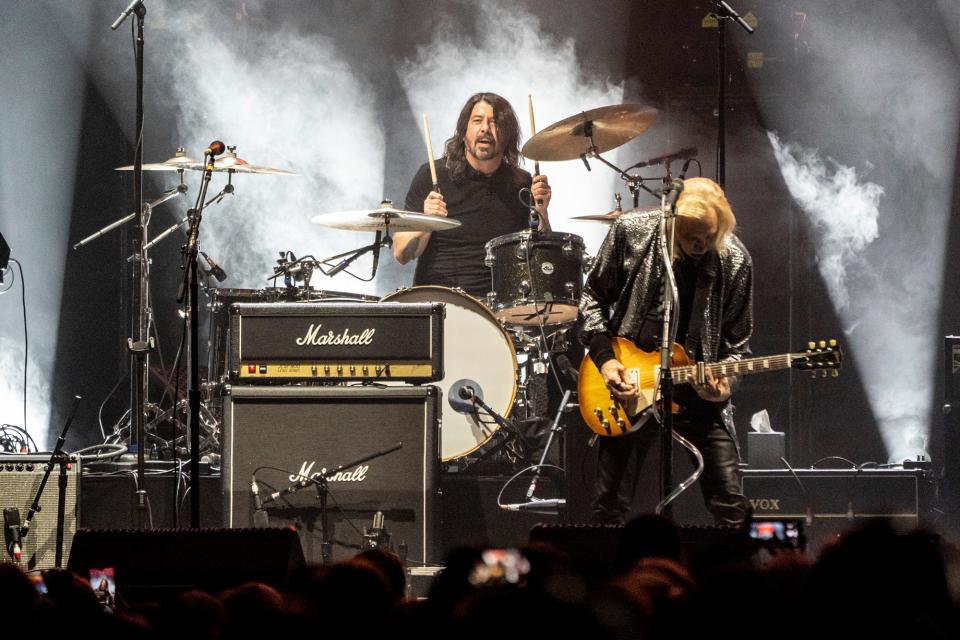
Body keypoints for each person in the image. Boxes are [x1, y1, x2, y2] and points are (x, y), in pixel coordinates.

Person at [579, 176, 752, 525]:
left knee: (731, 505)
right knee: (608, 509)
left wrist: (724, 386)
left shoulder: (735, 260)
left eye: (709, 237)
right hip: (629, 386)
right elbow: (591, 299)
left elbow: (738, 347)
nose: (700, 245)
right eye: (691, 238)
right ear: (670, 223)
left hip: (696, 393)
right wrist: (606, 360)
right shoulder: (633, 232)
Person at [393, 92, 552, 300]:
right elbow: (402, 254)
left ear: (508, 134)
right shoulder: (434, 175)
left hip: (500, 309)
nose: (485, 128)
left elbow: (542, 256)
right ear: (464, 131)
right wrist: (427, 222)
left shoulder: (521, 183)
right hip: (439, 303)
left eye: (495, 122)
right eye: (477, 121)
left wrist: (542, 211)